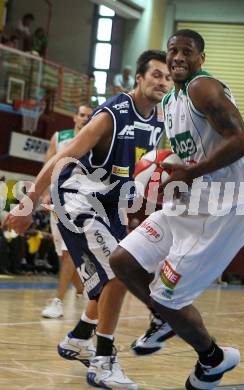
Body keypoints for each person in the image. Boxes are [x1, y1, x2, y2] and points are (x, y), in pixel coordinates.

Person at [4, 50, 171, 389]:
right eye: (156, 74)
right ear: (139, 78)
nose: (163, 81)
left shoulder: (159, 121)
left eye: (167, 77)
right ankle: (103, 362)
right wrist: (28, 202)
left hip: (110, 205)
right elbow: (65, 157)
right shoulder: (112, 114)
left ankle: (79, 338)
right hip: (78, 198)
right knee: (120, 272)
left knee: (112, 277)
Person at [109, 29, 244, 390]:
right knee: (123, 261)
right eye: (172, 50)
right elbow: (192, 151)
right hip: (190, 203)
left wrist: (191, 172)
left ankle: (212, 359)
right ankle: (163, 319)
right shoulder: (169, 102)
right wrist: (171, 169)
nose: (177, 57)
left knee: (167, 297)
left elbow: (242, 141)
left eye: (186, 52)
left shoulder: (202, 88)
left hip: (222, 213)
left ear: (200, 58)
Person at [41, 104, 93, 318]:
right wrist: (44, 192)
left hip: (79, 200)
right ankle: (83, 290)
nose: (84, 119)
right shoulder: (59, 137)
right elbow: (48, 165)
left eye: (89, 116)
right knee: (63, 253)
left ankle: (58, 302)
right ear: (74, 117)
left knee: (68, 254)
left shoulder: (95, 140)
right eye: (81, 115)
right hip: (56, 197)